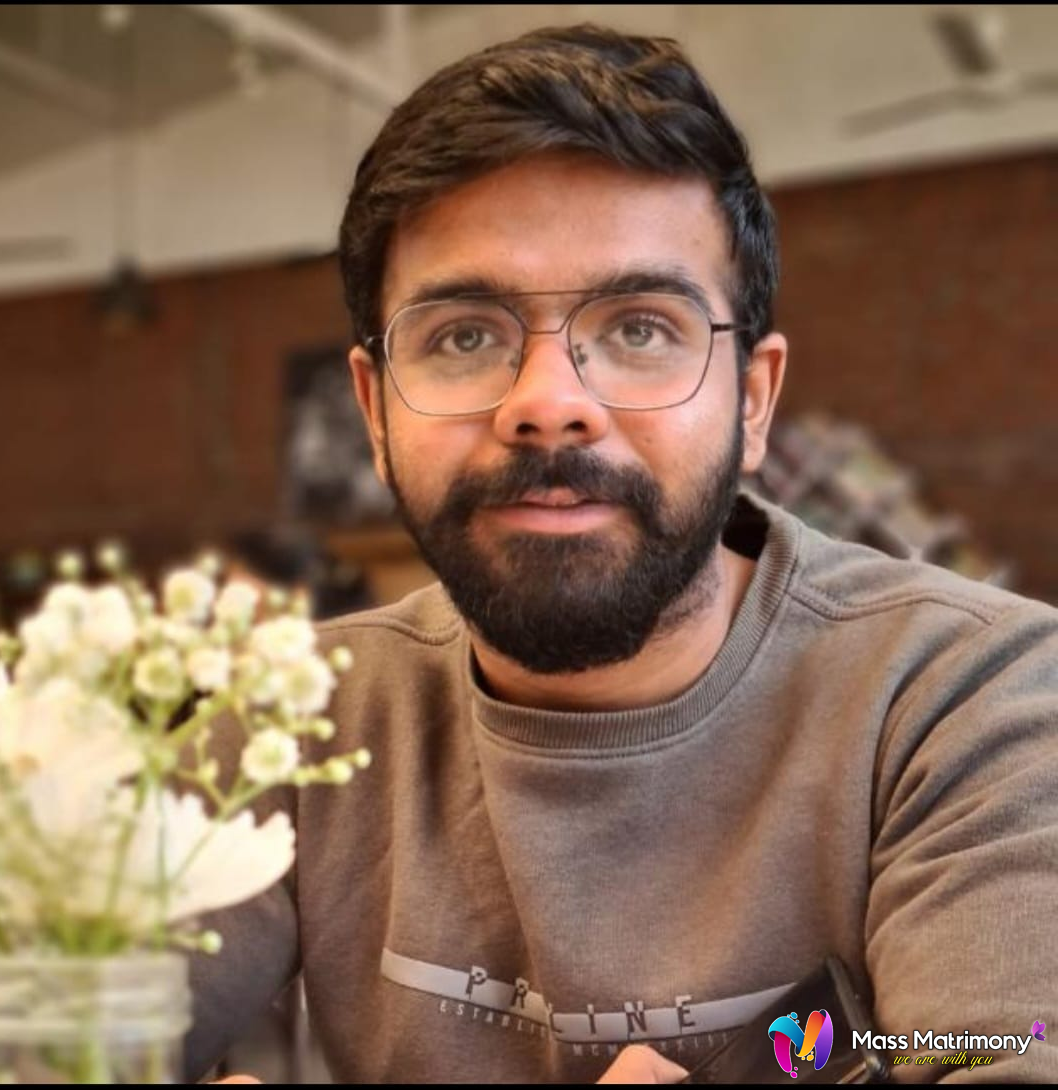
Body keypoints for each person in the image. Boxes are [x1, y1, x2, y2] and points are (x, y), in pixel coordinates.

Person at [186, 24, 1058, 1084]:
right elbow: (48, 1037)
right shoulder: (295, 717)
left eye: (641, 328)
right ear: (374, 409)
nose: (550, 405)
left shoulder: (973, 700)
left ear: (752, 401)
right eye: (465, 335)